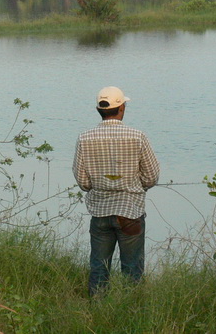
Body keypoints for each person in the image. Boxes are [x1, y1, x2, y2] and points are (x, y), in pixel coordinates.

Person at [73, 86, 160, 296]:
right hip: (131, 213)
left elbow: (83, 181)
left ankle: (97, 310)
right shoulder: (138, 136)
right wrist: (135, 188)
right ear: (121, 108)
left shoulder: (84, 138)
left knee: (99, 268)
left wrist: (101, 187)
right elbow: (152, 176)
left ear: (99, 110)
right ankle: (131, 311)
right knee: (132, 270)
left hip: (100, 212)